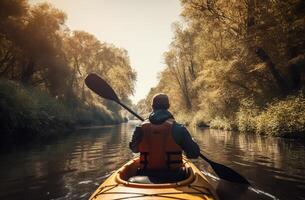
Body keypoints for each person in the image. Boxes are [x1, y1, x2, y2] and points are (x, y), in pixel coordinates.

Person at [129, 93, 200, 174]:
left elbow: (134, 150)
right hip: (175, 176)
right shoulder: (180, 129)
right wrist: (191, 141)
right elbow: (194, 154)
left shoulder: (140, 128)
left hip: (146, 174)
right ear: (168, 106)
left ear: (152, 106)